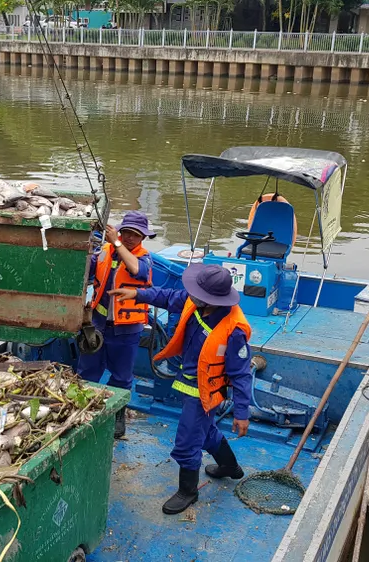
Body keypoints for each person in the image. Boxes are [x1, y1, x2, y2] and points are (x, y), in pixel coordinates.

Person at [109, 264, 252, 515]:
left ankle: (188, 491)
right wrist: (137, 294)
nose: (190, 296)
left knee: (187, 441)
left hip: (205, 394)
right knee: (205, 433)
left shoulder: (234, 330)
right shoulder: (194, 302)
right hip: (188, 381)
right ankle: (230, 466)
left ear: (212, 300)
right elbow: (166, 297)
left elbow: (241, 374)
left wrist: (242, 413)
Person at [78, 211, 155, 439]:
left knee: (121, 377)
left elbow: (136, 270)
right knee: (87, 371)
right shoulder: (104, 252)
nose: (130, 238)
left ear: (143, 238)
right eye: (126, 233)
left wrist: (117, 243)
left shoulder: (144, 258)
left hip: (127, 330)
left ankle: (117, 417)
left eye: (135, 235)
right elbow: (84, 269)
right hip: (98, 324)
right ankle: (81, 411)